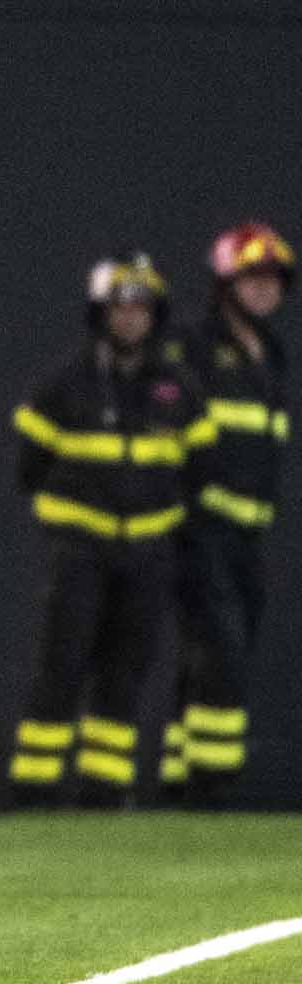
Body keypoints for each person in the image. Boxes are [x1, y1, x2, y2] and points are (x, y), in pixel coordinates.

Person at [7, 254, 214, 808]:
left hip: (149, 551)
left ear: (155, 316)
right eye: (119, 308)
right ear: (100, 314)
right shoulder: (63, 384)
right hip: (79, 549)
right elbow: (29, 469)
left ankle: (103, 792)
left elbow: (200, 468)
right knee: (62, 664)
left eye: (141, 309)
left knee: (127, 671)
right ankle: (35, 790)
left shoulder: (179, 388)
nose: (130, 318)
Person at [157, 224, 293, 804]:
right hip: (200, 527)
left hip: (248, 532)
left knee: (211, 654)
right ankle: (211, 783)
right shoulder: (192, 344)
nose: (265, 289)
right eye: (252, 277)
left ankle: (179, 775)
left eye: (274, 279)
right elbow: (169, 428)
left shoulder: (271, 352)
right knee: (221, 650)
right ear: (225, 283)